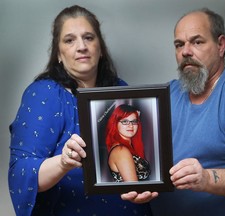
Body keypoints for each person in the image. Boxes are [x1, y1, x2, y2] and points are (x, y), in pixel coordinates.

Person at [121, 8, 225, 216]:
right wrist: (143, 183)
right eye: (179, 44)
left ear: (221, 45)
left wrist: (206, 178)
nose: (186, 51)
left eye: (197, 42)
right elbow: (148, 154)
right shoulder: (166, 94)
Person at [8, 5, 153, 216]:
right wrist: (63, 163)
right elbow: (21, 174)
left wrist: (145, 187)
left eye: (88, 38)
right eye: (69, 40)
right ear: (58, 53)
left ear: (100, 48)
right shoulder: (43, 93)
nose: (81, 46)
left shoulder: (121, 90)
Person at [105, 104, 150, 182]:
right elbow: (134, 189)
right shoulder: (121, 151)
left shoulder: (126, 147)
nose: (131, 125)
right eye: (125, 121)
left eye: (134, 121)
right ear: (115, 123)